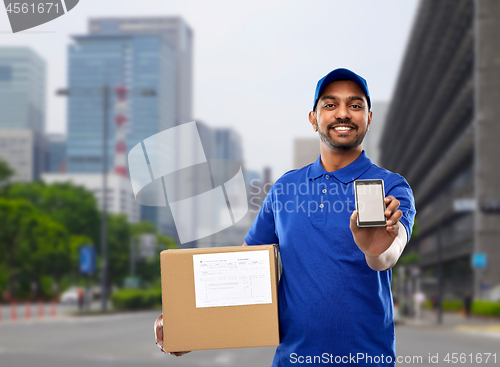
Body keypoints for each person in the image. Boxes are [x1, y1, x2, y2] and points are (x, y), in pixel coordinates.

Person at [154, 68, 416, 366]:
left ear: (368, 117)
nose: (343, 113)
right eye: (330, 105)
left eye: (355, 105)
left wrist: (375, 250)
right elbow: (244, 270)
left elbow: (388, 255)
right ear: (313, 118)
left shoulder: (392, 187)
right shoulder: (284, 189)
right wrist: (188, 325)